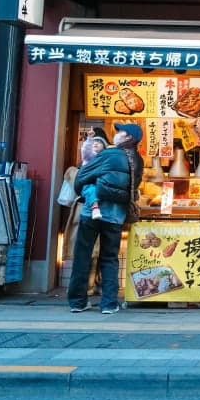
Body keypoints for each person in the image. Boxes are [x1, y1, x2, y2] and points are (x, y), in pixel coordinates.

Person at [69, 122, 143, 315]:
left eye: (121, 132)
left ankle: (78, 302)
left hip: (92, 211)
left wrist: (86, 192)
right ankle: (109, 304)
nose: (117, 134)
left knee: (83, 255)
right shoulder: (138, 161)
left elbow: (81, 176)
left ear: (128, 137)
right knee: (110, 258)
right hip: (116, 215)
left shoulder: (109, 154)